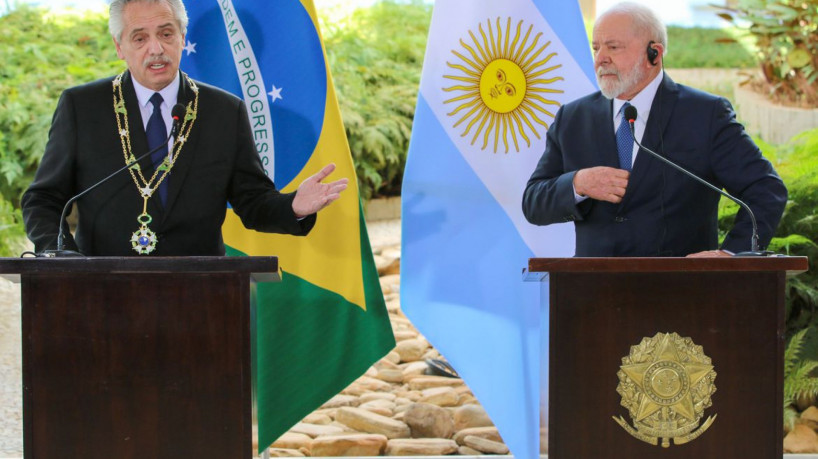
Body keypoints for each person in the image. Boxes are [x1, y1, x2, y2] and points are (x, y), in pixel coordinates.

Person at [22, 0, 347, 256]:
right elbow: (45, 199)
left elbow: (253, 202)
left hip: (199, 294)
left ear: (181, 37)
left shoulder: (224, 111)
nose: (156, 48)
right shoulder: (83, 107)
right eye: (140, 38)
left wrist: (293, 206)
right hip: (102, 293)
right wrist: (58, 254)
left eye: (166, 34)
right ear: (120, 46)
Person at [522, 2, 787, 257]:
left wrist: (731, 254)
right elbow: (534, 203)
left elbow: (766, 190)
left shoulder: (705, 115)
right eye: (596, 48)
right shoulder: (573, 118)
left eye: (613, 47)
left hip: (681, 291)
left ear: (654, 54)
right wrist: (578, 183)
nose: (601, 59)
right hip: (593, 290)